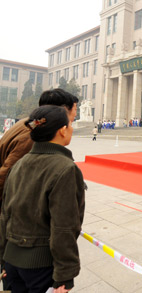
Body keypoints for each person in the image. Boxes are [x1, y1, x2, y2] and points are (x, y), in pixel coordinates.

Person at [0, 105, 85, 292]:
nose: (71, 128)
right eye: (70, 124)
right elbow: (64, 226)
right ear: (62, 130)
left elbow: (5, 215)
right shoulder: (65, 168)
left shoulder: (19, 163)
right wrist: (65, 275)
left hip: (11, 262)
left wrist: (3, 260)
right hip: (40, 268)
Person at [0, 88, 78, 208]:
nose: (75, 115)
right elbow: (7, 173)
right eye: (75, 109)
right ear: (60, 110)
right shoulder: (34, 135)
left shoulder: (31, 123)